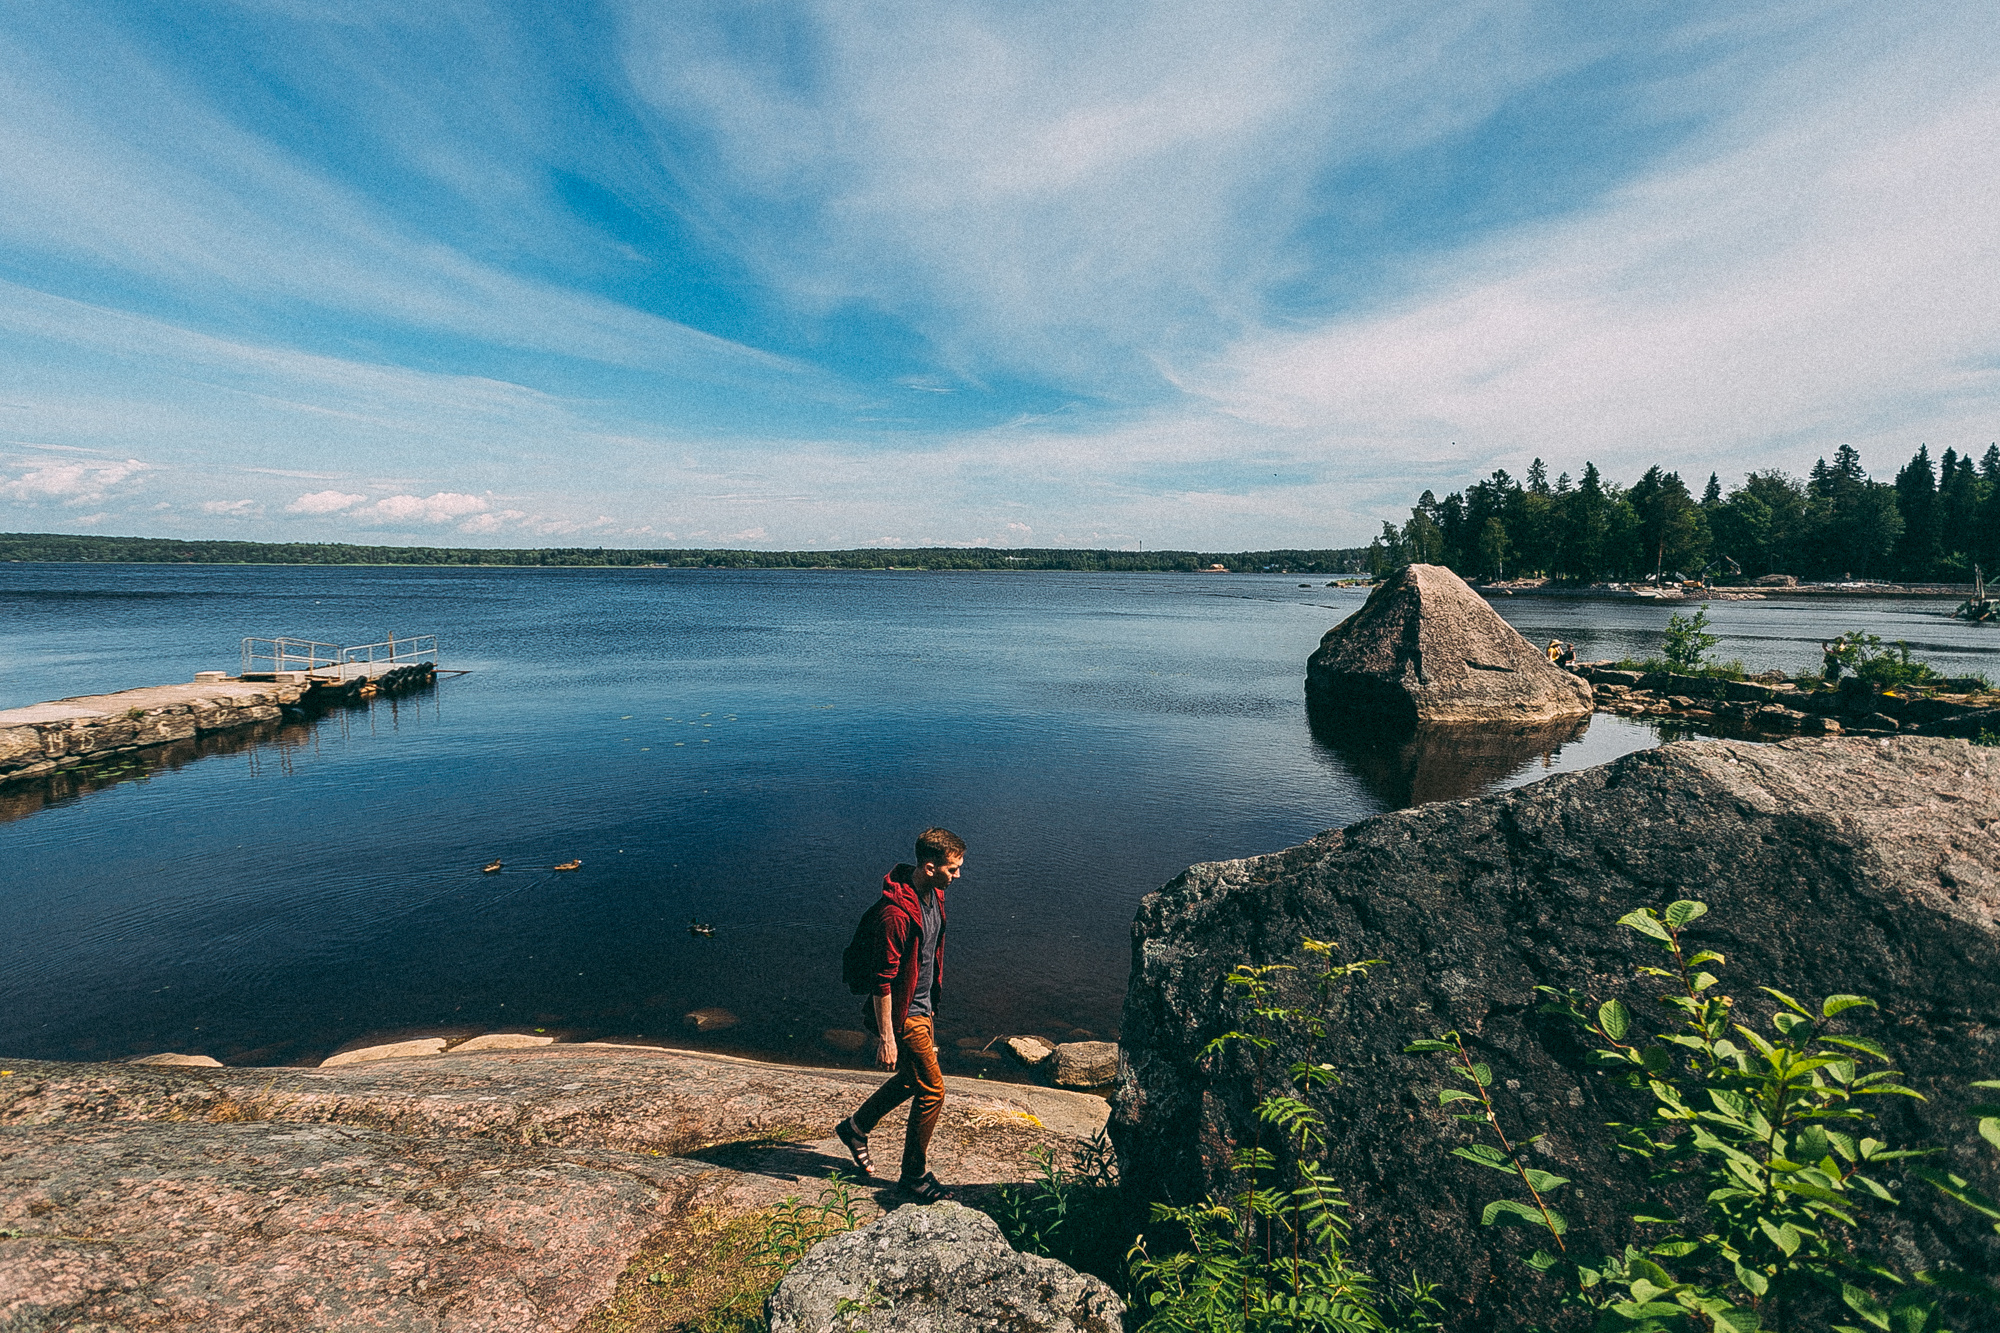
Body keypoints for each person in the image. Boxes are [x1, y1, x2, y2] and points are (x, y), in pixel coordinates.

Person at [835, 827, 964, 1201]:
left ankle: (856, 1127)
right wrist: (886, 1035)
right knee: (933, 1091)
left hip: (922, 1008)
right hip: (903, 1015)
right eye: (952, 869)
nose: (957, 876)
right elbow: (882, 980)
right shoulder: (894, 914)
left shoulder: (933, 893)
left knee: (911, 1080)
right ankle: (914, 1177)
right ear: (929, 866)